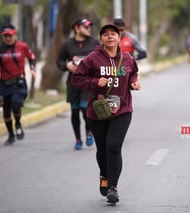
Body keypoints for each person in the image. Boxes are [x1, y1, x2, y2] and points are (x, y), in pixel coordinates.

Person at [71, 24, 141, 204]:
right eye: (106, 34)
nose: (110, 37)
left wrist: (134, 82)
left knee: (113, 146)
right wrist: (95, 82)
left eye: (113, 34)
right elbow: (77, 78)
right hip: (98, 111)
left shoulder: (127, 58)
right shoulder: (92, 59)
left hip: (122, 109)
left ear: (119, 38)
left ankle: (113, 187)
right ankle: (104, 175)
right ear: (101, 39)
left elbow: (133, 73)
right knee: (102, 150)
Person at [0, 24, 36, 145]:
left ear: (14, 34)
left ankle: (18, 123)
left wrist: (32, 68)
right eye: (5, 36)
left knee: (16, 103)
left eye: (10, 35)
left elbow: (31, 57)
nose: (8, 38)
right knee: (6, 112)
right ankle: (10, 134)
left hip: (19, 83)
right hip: (4, 84)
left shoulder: (22, 46)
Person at [56, 18, 100, 150]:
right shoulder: (67, 44)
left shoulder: (94, 43)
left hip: (89, 83)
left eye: (89, 27)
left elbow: (102, 58)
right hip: (73, 83)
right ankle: (78, 139)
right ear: (76, 28)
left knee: (85, 109)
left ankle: (89, 132)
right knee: (74, 112)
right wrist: (66, 65)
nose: (89, 29)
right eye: (85, 27)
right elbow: (59, 62)